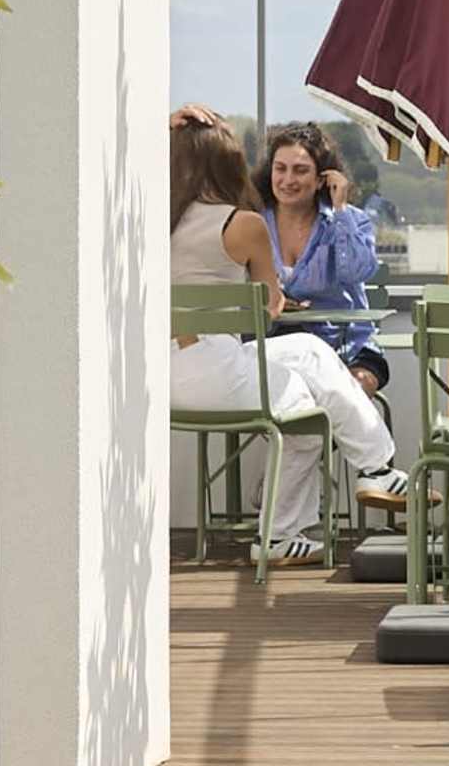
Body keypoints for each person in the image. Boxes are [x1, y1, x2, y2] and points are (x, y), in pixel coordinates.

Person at [166, 109, 398, 564]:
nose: (287, 179)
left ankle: (281, 536)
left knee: (309, 388)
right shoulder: (245, 223)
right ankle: (377, 467)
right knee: (311, 376)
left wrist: (165, 128)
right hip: (218, 371)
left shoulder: (148, 218)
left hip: (163, 376)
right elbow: (269, 307)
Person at [262, 121, 386, 376]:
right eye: (280, 169)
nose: (288, 180)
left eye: (300, 170)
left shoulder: (351, 220)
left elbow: (356, 271)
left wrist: (339, 209)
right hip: (273, 346)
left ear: (322, 180)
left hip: (345, 346)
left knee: (358, 386)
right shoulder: (254, 224)